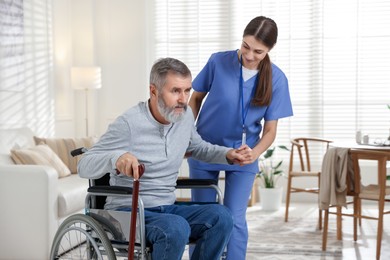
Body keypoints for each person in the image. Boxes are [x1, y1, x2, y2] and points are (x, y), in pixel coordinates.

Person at [78, 57, 253, 260]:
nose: (183, 99)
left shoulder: (184, 116)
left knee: (222, 217)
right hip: (128, 212)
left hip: (167, 208)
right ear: (153, 91)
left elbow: (197, 147)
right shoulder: (129, 123)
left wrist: (227, 154)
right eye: (175, 91)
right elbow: (84, 164)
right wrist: (116, 158)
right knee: (175, 227)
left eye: (187, 90)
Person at [187, 16, 293, 260]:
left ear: (269, 50)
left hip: (245, 155)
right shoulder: (218, 61)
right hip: (205, 149)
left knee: (234, 218)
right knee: (202, 216)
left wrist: (254, 153)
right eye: (245, 46)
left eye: (258, 51)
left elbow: (270, 130)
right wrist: (187, 136)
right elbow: (195, 98)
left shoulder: (277, 79)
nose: (249, 55)